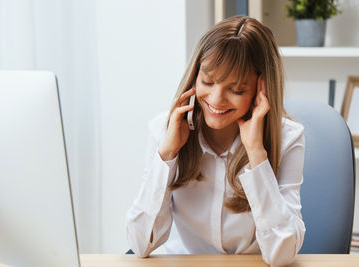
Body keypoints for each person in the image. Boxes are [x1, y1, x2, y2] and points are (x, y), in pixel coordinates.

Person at [126, 15, 305, 267]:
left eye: (236, 89)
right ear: (195, 75)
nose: (216, 99)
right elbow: (140, 243)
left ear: (262, 89)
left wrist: (256, 154)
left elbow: (281, 254)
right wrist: (167, 154)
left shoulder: (288, 139)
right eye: (208, 81)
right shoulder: (163, 130)